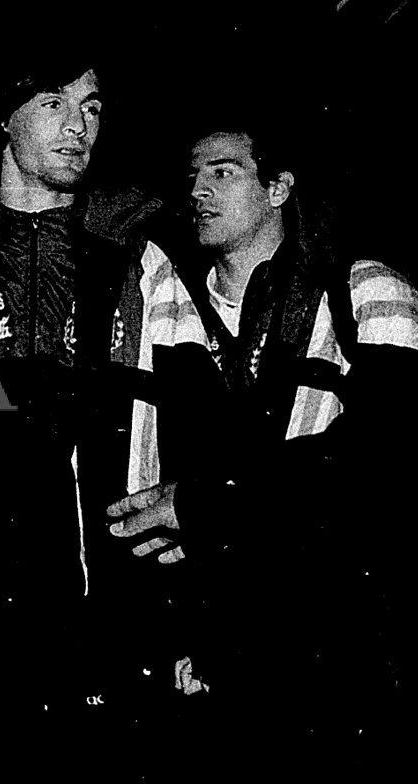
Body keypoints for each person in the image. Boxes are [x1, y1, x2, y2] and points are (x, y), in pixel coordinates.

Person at [0, 57, 197, 776]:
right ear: (6, 116)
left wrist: (184, 576)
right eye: (54, 103)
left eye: (92, 108)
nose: (80, 126)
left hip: (92, 601)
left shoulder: (133, 256)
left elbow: (194, 411)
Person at [106, 121, 416, 777]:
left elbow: (382, 462)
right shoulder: (168, 314)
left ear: (279, 188)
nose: (198, 189)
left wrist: (207, 506)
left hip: (340, 657)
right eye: (193, 176)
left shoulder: (365, 291)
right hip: (215, 664)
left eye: (222, 171)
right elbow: (155, 485)